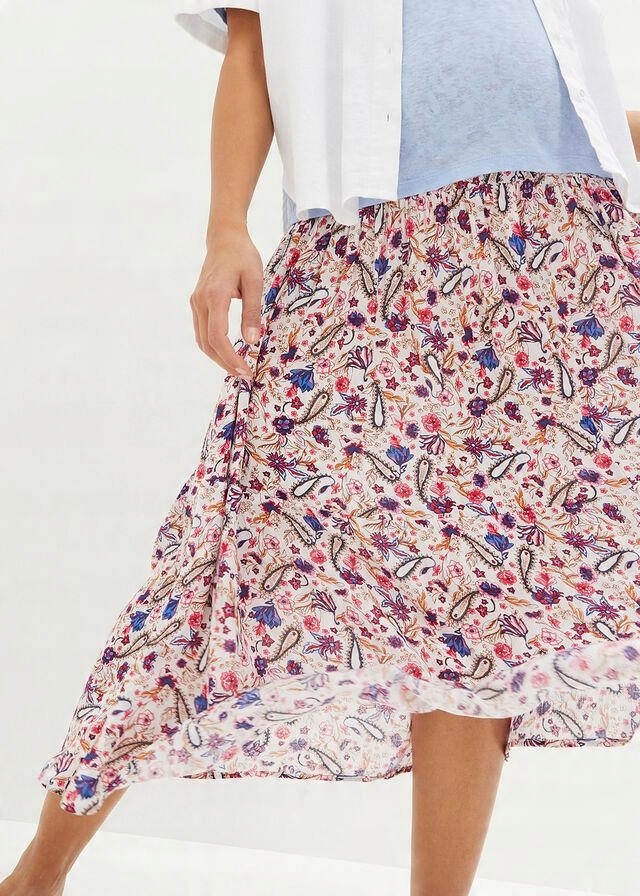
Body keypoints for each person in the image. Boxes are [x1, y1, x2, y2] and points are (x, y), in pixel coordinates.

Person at [3, 3, 640, 895]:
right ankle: (36, 878)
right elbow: (253, 45)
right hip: (365, 250)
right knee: (223, 554)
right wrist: (226, 226)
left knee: (482, 598)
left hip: (566, 246)